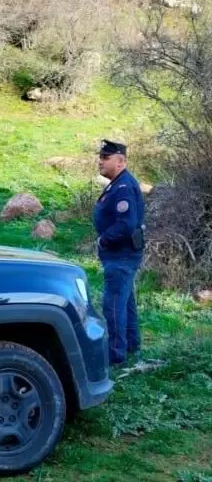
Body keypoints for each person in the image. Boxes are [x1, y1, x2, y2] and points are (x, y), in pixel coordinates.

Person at [93, 139, 145, 367]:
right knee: (125, 302)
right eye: (100, 157)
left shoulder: (123, 186)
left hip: (121, 254)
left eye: (106, 158)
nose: (100, 161)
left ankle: (115, 355)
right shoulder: (118, 183)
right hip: (121, 254)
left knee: (113, 303)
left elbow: (127, 224)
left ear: (121, 161)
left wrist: (103, 239)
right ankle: (131, 345)